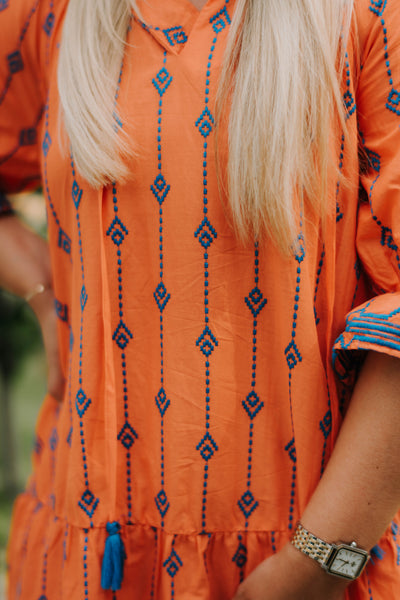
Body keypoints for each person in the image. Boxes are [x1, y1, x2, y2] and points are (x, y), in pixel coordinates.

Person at [0, 0, 399, 598]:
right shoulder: (51, 14)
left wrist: (314, 565)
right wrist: (38, 288)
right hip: (82, 557)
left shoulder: (368, 16)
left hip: (302, 558)